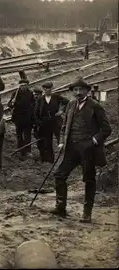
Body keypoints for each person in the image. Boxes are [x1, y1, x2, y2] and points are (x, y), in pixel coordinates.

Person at [52, 78, 111, 223]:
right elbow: (65, 126)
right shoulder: (71, 104)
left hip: (88, 149)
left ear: (87, 91)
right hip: (71, 148)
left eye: (81, 90)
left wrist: (93, 141)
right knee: (59, 175)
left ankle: (87, 213)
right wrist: (61, 142)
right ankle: (60, 207)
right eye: (75, 90)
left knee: (89, 179)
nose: (78, 93)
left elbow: (106, 129)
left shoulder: (95, 106)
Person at [34, 81, 69, 163]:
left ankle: (64, 158)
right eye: (45, 89)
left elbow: (67, 102)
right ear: (43, 89)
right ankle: (50, 160)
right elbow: (36, 112)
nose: (47, 90)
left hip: (55, 121)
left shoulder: (56, 97)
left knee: (60, 139)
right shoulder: (40, 99)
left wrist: (61, 110)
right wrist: (40, 122)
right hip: (45, 122)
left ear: (51, 89)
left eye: (49, 88)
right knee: (47, 141)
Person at [8, 78, 36, 160]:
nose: (23, 87)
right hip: (18, 118)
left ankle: (28, 151)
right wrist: (11, 103)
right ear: (19, 86)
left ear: (27, 85)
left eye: (25, 85)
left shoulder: (30, 93)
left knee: (27, 135)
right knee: (19, 134)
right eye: (21, 85)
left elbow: (34, 104)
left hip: (28, 118)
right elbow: (10, 105)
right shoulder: (15, 93)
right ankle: (20, 150)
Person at [32, 87, 45, 160]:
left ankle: (45, 156)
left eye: (37, 95)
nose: (36, 96)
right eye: (35, 95)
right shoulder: (32, 101)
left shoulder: (44, 102)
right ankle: (41, 154)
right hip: (35, 124)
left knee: (44, 140)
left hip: (43, 124)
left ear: (41, 94)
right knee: (38, 139)